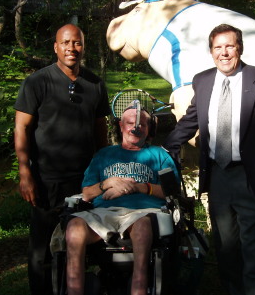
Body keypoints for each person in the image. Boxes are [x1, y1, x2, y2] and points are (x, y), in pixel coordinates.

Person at [163, 24, 255, 295]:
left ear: (240, 48)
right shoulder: (203, 80)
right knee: (225, 247)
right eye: (218, 47)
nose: (224, 53)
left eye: (229, 46)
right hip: (218, 176)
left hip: (253, 177)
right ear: (211, 52)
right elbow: (190, 121)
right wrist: (165, 150)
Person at [14, 24, 111, 295]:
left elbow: (100, 130)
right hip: (47, 180)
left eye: (77, 43)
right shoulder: (38, 82)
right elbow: (21, 127)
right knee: (41, 250)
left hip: (85, 181)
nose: (72, 48)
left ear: (83, 47)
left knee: (83, 244)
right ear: (56, 47)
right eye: (66, 43)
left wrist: (104, 170)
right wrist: (25, 174)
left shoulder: (94, 84)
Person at [64, 106, 180, 295]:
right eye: (130, 123)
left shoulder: (159, 155)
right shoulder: (103, 155)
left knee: (142, 226)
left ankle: (139, 289)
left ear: (149, 128)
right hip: (103, 213)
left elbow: (172, 191)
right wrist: (108, 183)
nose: (136, 128)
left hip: (142, 214)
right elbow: (86, 194)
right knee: (74, 227)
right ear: (120, 126)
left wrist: (141, 187)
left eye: (142, 124)